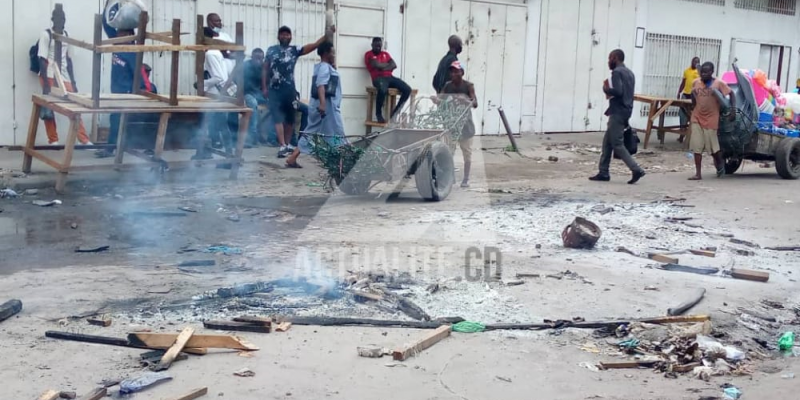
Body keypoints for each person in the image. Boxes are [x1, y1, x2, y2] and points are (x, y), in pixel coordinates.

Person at [263, 26, 333, 158]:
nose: (285, 36)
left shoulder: (294, 50)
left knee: (290, 118)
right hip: (274, 90)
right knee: (277, 117)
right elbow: (265, 69)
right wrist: (265, 87)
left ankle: (288, 144)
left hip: (290, 89)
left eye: (287, 34)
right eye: (282, 34)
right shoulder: (271, 50)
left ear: (291, 37)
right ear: (278, 37)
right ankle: (282, 145)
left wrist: (326, 36)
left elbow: (313, 46)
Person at [96, 10, 153, 158]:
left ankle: (146, 148)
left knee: (123, 120)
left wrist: (148, 90)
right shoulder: (117, 44)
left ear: (128, 36)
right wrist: (108, 6)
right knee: (115, 119)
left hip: (127, 93)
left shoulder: (132, 52)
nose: (116, 35)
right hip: (116, 91)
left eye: (120, 34)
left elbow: (140, 75)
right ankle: (111, 148)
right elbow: (106, 24)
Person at [589, 49, 646, 184]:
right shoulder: (630, 73)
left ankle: (636, 169)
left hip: (618, 111)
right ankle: (603, 172)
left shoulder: (617, 72)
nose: (608, 61)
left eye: (610, 58)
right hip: (626, 110)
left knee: (617, 143)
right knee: (607, 143)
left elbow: (618, 91)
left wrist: (606, 89)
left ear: (615, 58)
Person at [38, 6, 92, 145]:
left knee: (73, 105)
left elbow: (68, 60)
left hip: (63, 75)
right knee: (49, 107)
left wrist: (73, 82)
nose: (61, 22)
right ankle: (53, 140)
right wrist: (45, 85)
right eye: (58, 19)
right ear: (52, 20)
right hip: (49, 74)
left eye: (63, 19)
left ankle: (83, 139)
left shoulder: (66, 36)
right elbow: (42, 60)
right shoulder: (46, 35)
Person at [286, 42, 344, 168]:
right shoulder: (324, 67)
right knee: (337, 131)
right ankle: (340, 160)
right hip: (326, 107)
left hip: (321, 105)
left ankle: (292, 157)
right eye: (332, 52)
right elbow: (321, 85)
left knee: (311, 132)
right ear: (326, 53)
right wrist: (323, 104)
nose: (334, 55)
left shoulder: (323, 67)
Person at [689, 62, 736, 180]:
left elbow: (732, 94)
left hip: (711, 118)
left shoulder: (718, 83)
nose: (703, 74)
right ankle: (698, 173)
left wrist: (733, 110)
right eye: (702, 72)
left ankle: (720, 165)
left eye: (706, 72)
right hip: (697, 117)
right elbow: (693, 94)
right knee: (697, 146)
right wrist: (693, 107)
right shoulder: (696, 83)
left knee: (713, 148)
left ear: (711, 72)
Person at [435, 61, 477, 188]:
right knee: (449, 152)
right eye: (452, 71)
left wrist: (466, 100)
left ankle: (465, 179)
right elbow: (440, 99)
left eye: (456, 71)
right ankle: (450, 177)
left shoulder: (468, 86)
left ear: (462, 73)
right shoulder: (448, 86)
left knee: (467, 154)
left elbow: (475, 103)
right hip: (452, 125)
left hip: (466, 126)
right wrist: (436, 99)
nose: (453, 73)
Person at [364, 37, 411, 123]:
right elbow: (376, 65)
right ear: (372, 45)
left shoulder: (385, 54)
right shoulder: (369, 54)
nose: (378, 48)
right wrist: (387, 65)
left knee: (407, 89)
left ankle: (395, 113)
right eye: (376, 46)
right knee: (382, 90)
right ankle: (378, 114)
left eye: (379, 46)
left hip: (390, 77)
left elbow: (394, 65)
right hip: (377, 78)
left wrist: (382, 67)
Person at [677, 57, 700, 134]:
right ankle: (682, 132)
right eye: (694, 61)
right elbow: (683, 82)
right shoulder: (687, 71)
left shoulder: (700, 72)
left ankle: (691, 133)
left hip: (695, 95)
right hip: (686, 94)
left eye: (697, 62)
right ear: (691, 62)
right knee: (682, 112)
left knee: (691, 114)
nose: (695, 63)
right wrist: (679, 92)